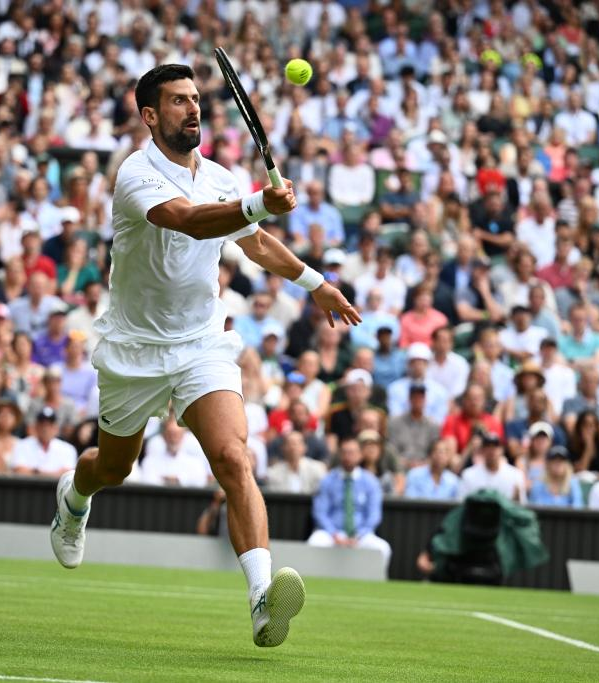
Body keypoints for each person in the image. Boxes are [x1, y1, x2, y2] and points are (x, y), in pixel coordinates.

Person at [49, 64, 357, 648]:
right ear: (149, 115)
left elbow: (254, 242)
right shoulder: (135, 174)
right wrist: (258, 203)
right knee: (113, 469)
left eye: (195, 99)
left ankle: (262, 599)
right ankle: (74, 497)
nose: (192, 108)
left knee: (234, 458)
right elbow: (188, 223)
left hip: (200, 345)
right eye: (177, 101)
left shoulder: (219, 177)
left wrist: (315, 282)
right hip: (135, 349)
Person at [307, 438, 392, 571]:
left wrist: (358, 536)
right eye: (344, 453)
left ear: (360, 455)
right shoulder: (327, 480)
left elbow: (374, 515)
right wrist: (334, 534)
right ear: (340, 455)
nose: (348, 457)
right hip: (331, 534)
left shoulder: (371, 482)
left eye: (351, 453)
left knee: (383, 548)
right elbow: (320, 512)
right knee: (314, 542)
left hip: (361, 535)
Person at [138, 416, 210, 488]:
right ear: (163, 436)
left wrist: (177, 479)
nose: (173, 439)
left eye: (176, 434)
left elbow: (200, 481)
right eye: (170, 434)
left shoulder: (195, 463)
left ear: (183, 436)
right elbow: (146, 480)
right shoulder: (150, 461)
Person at [458, 432, 525, 503]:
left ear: (502, 449)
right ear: (482, 450)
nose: (491, 450)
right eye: (488, 447)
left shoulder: (515, 475)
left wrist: (517, 499)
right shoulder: (469, 475)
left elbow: (522, 505)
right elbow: (461, 503)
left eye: (495, 446)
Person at [12, 406, 77, 477]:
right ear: (35, 427)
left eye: (49, 425)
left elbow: (68, 474)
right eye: (42, 425)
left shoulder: (68, 448)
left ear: (56, 428)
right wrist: (54, 473)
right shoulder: (22, 445)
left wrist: (36, 472)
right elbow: (19, 470)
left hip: (56, 484)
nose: (45, 429)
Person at [265, 430, 327, 495]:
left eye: (297, 443)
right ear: (283, 448)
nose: (293, 447)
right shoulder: (273, 472)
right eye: (290, 443)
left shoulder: (317, 469)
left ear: (305, 447)